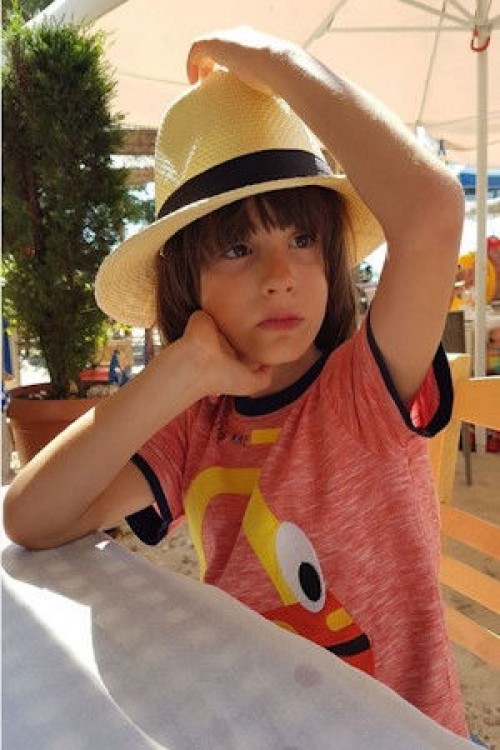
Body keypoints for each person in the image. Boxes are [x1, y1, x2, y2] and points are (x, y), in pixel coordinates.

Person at [3, 28, 468, 737]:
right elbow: (31, 520)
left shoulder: (365, 387)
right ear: (185, 282)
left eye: (303, 239)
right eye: (237, 246)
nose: (280, 275)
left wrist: (278, 65)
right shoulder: (196, 422)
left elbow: (431, 210)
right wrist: (178, 373)